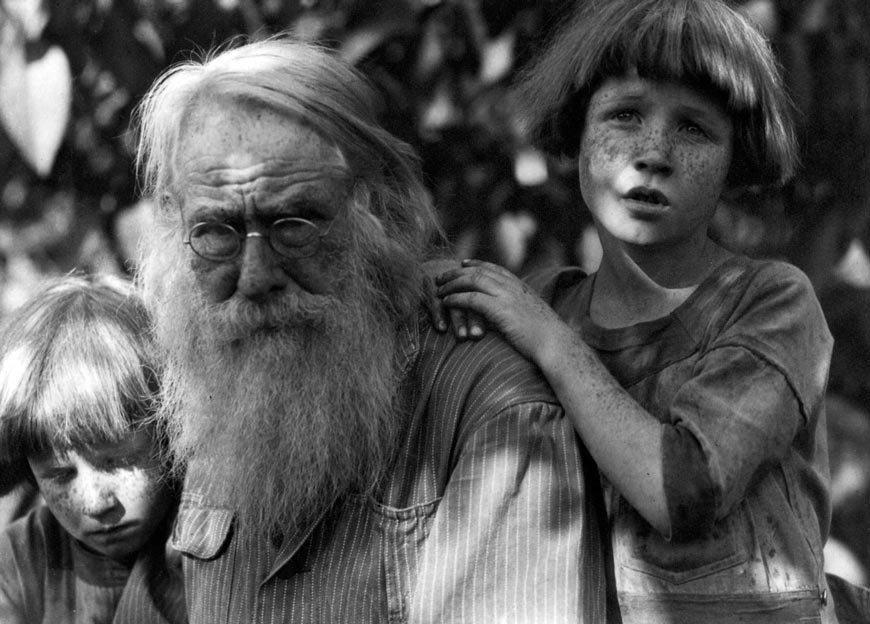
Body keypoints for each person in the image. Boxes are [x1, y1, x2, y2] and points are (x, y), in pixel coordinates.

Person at [131, 36, 609, 623]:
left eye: (295, 223)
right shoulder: (212, 401)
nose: (255, 276)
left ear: (380, 212)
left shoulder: (491, 410)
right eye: (216, 231)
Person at [434, 0, 840, 622]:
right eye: (624, 114)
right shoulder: (544, 304)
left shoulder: (772, 301)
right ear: (577, 130)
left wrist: (549, 341)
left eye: (694, 128)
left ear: (738, 157)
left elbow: (681, 489)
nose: (654, 152)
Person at [0, 274, 185, 624]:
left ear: (169, 436)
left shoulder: (210, 545)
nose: (95, 503)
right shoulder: (20, 561)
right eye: (60, 474)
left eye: (118, 461)